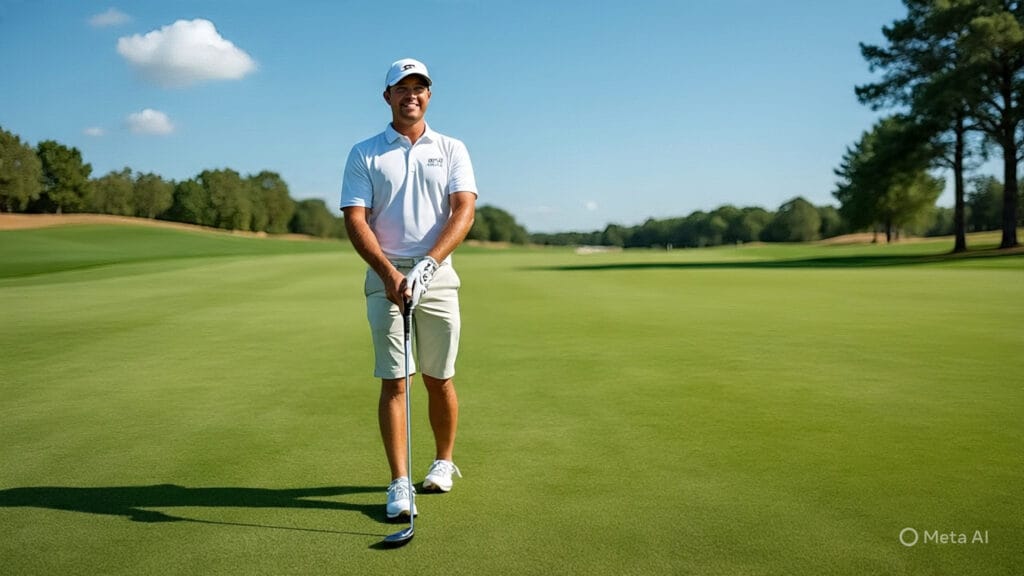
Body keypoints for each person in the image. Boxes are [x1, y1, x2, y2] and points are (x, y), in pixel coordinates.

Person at [340, 58, 477, 520]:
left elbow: (463, 211)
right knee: (396, 381)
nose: (411, 94)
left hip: (437, 277)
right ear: (388, 97)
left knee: (440, 378)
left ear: (429, 96)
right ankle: (400, 483)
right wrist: (389, 273)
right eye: (402, 88)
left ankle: (443, 461)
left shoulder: (453, 148)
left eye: (420, 87)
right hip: (386, 277)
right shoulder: (365, 152)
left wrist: (428, 265)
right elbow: (355, 219)